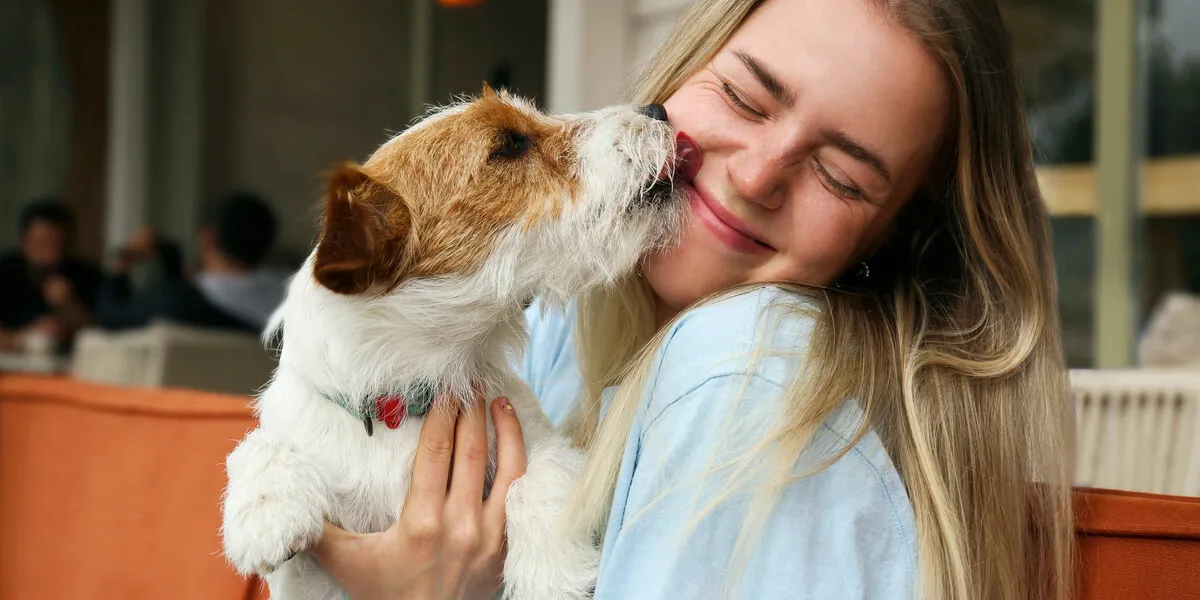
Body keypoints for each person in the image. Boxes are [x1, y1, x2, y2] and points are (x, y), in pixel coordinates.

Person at [307, 1, 1075, 599]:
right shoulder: (553, 327)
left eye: (843, 176)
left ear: (893, 239)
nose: (755, 176)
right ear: (682, 70)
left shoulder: (747, 370)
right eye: (744, 97)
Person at [95, 192, 287, 333]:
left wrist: (123, 261)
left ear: (208, 239)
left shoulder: (177, 302)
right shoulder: (290, 300)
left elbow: (111, 316)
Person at [0, 198, 103, 352]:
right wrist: (28, 338)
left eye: (61, 245)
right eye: (43, 245)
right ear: (24, 242)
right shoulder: (5, 272)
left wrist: (70, 308)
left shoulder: (87, 275)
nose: (53, 256)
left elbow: (105, 333)